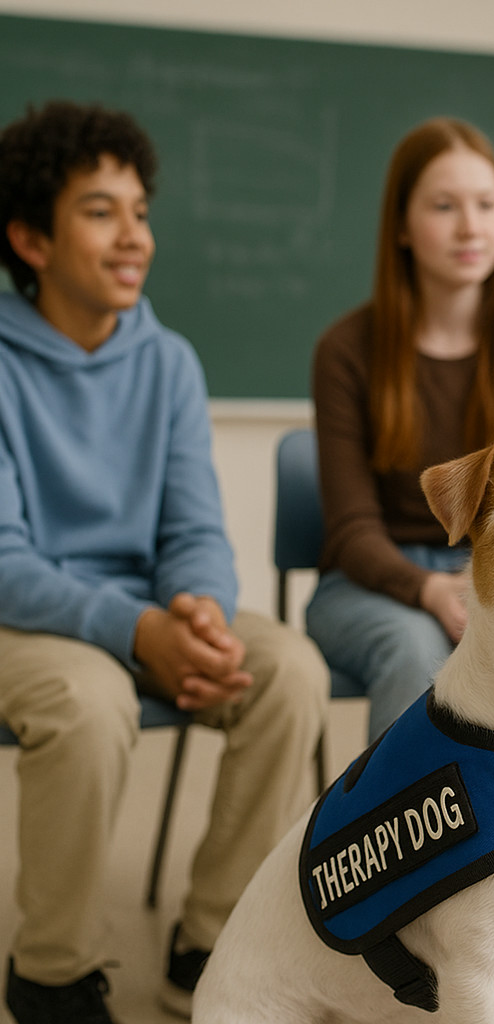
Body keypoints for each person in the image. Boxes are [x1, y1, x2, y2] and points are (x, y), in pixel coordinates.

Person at [0, 100, 328, 1024]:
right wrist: (136, 630)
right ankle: (53, 973)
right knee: (87, 702)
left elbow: (193, 527)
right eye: (101, 211)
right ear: (30, 238)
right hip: (24, 620)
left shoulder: (170, 362)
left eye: (140, 211)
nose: (133, 235)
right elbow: (4, 560)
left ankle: (212, 942)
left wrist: (199, 613)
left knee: (290, 671)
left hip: (147, 610)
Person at [305, 117, 494, 742]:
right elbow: (350, 531)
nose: (471, 226)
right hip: (368, 582)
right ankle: (406, 835)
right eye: (444, 206)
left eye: (486, 205)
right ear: (401, 226)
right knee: (415, 646)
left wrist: (476, 587)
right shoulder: (346, 350)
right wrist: (427, 588)